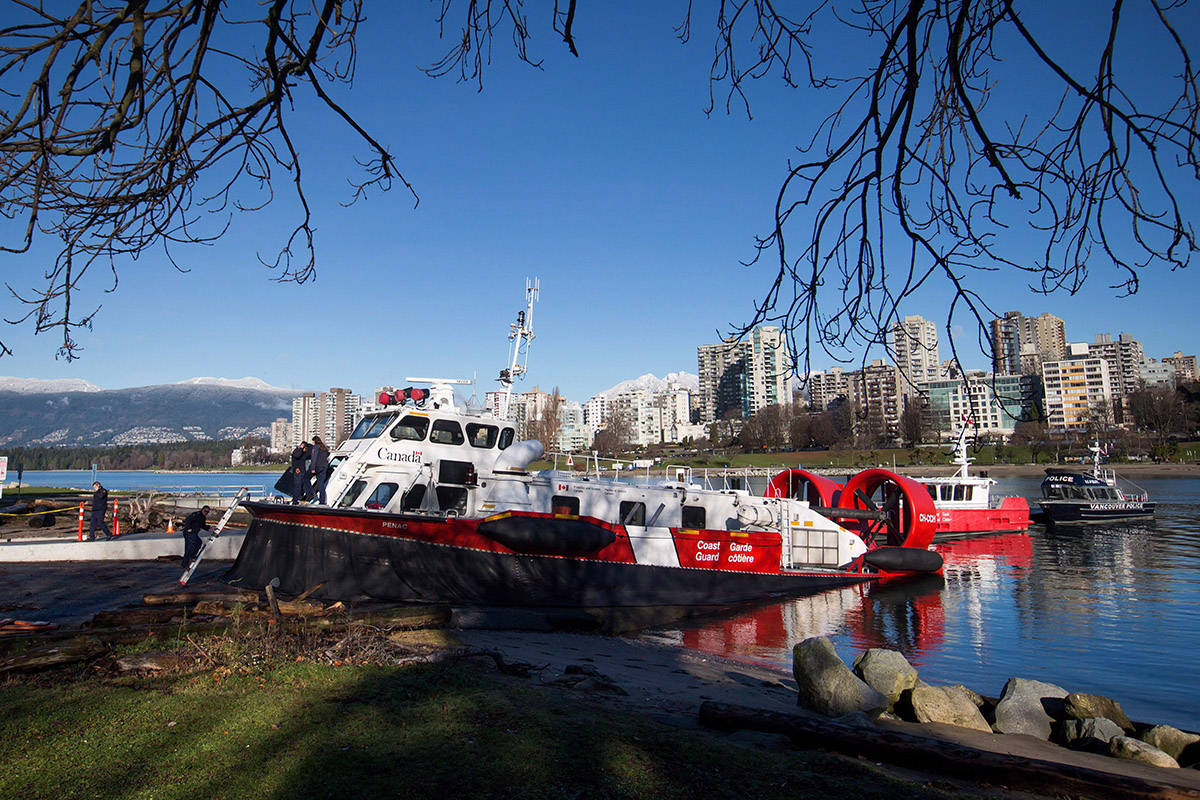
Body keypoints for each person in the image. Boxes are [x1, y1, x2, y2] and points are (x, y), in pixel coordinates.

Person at [181, 505, 210, 570]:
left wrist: (209, 528)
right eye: (205, 511)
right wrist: (188, 528)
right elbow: (187, 520)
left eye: (207, 512)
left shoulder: (203, 518)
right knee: (198, 542)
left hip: (194, 533)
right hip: (189, 533)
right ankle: (192, 556)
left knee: (188, 548)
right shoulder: (196, 515)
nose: (206, 513)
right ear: (202, 510)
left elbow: (203, 526)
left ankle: (184, 564)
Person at [309, 435, 330, 504]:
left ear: (314, 441)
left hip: (318, 467)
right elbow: (327, 454)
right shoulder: (324, 448)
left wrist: (312, 468)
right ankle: (322, 501)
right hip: (324, 467)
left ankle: (311, 492)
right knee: (321, 485)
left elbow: (314, 458)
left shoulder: (316, 447)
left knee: (305, 477)